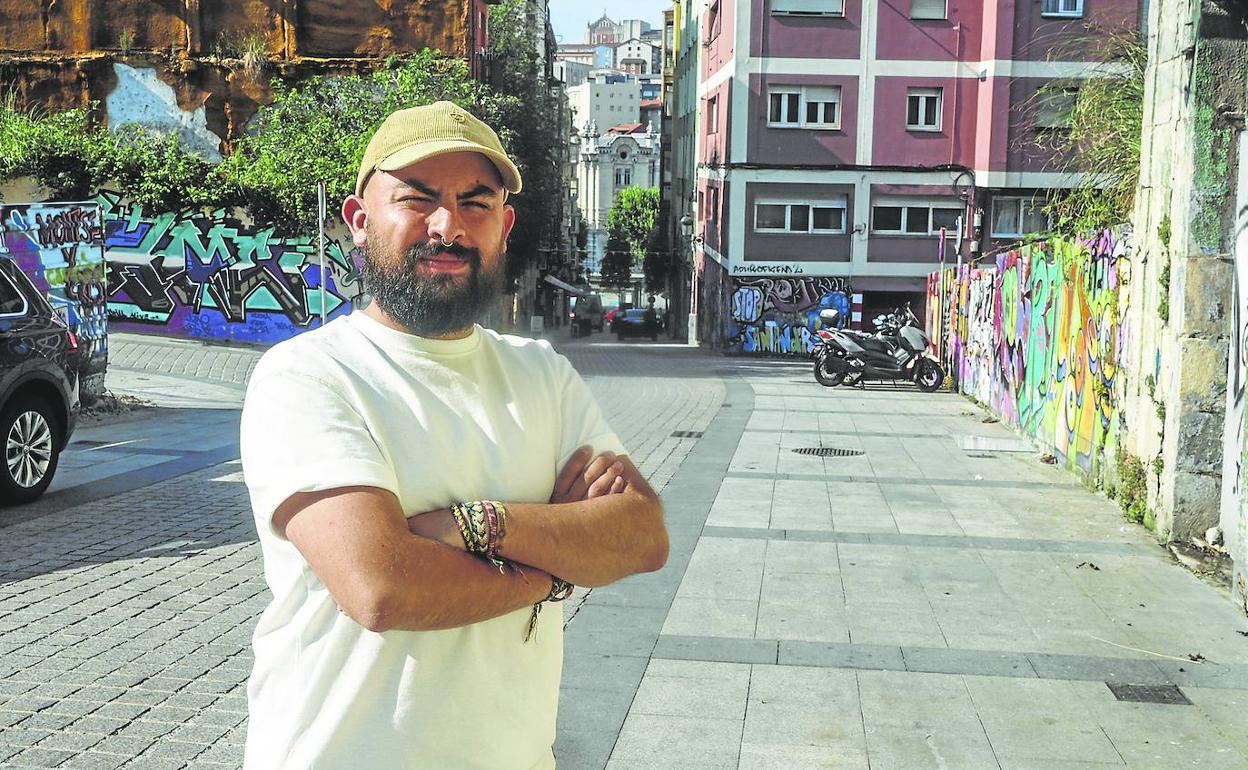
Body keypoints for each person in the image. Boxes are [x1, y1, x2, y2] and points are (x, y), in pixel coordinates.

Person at [239, 101, 669, 769]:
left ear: (505, 225)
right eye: (418, 200)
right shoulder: (309, 376)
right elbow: (384, 586)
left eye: (476, 204)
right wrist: (555, 569)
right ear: (359, 221)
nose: (449, 227)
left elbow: (640, 536)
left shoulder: (542, 374)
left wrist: (471, 527)